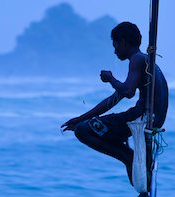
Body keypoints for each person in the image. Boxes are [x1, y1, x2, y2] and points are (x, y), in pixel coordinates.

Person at [61, 22, 168, 185]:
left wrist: (110, 79)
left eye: (115, 44)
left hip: (143, 118)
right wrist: (79, 118)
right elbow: (112, 100)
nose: (115, 50)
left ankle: (127, 156)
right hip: (153, 118)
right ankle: (129, 158)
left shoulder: (137, 59)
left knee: (83, 131)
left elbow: (128, 92)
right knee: (83, 125)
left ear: (123, 42)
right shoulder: (144, 61)